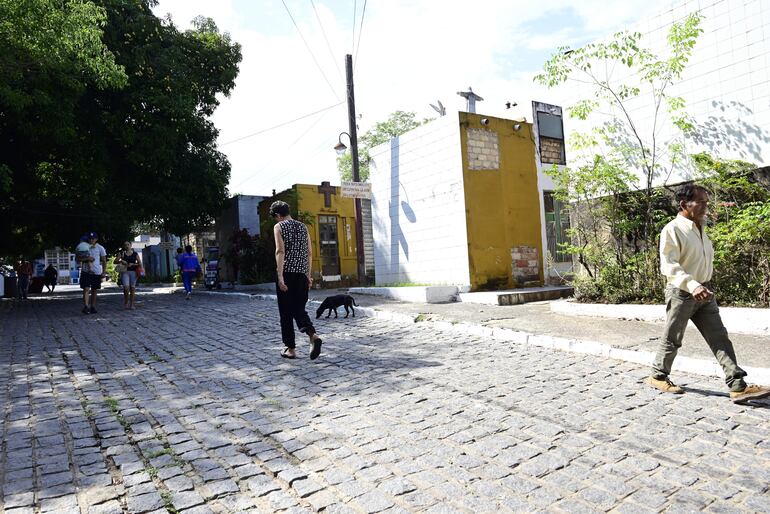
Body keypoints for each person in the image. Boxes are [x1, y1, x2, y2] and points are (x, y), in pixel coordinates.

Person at [646, 184, 770, 404]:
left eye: (706, 201)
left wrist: (704, 284)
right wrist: (692, 285)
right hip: (683, 292)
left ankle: (737, 386)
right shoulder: (673, 229)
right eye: (701, 202)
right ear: (685, 204)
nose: (706, 206)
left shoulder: (701, 228)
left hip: (705, 292)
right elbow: (669, 265)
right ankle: (658, 375)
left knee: (719, 337)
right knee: (673, 338)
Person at [270, 200, 323, 360]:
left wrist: (280, 276)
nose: (276, 220)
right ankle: (313, 335)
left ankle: (290, 349)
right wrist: (308, 275)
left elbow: (280, 251)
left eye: (275, 217)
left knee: (286, 312)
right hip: (301, 275)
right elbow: (309, 253)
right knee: (299, 309)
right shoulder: (303, 226)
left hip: (286, 273)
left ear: (278, 215)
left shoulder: (279, 227)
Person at [77, 232, 107, 314]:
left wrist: (104, 272)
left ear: (96, 239)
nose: (91, 240)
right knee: (86, 288)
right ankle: (86, 306)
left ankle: (93, 306)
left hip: (96, 272)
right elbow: (78, 259)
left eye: (93, 238)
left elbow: (104, 261)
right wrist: (87, 258)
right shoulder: (84, 246)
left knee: (94, 289)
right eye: (90, 238)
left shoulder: (100, 248)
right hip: (85, 271)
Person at [114, 241, 140, 309]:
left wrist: (133, 264)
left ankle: (132, 304)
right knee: (126, 288)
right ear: (124, 246)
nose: (127, 246)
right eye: (125, 245)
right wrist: (121, 261)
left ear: (131, 245)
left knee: (132, 288)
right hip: (124, 271)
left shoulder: (135, 254)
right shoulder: (122, 253)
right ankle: (126, 302)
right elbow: (115, 261)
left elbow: (139, 263)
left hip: (133, 272)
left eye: (128, 244)